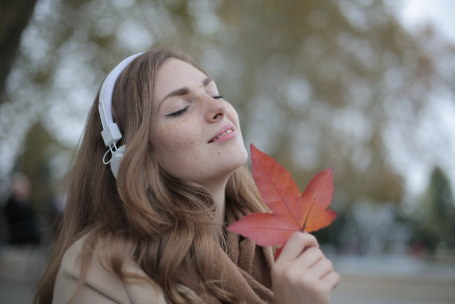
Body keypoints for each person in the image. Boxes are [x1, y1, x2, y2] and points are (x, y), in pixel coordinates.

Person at [34, 46, 339, 304]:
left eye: (215, 93)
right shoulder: (97, 267)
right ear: (129, 156)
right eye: (180, 109)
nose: (217, 108)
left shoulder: (277, 249)